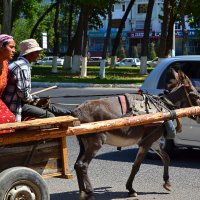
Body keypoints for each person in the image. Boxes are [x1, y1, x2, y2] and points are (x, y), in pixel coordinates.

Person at [2, 38, 71, 122]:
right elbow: (23, 95)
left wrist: (37, 100)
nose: (39, 55)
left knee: (50, 107)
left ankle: (71, 113)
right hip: (16, 104)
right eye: (37, 52)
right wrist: (37, 101)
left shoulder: (19, 64)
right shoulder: (22, 67)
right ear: (30, 54)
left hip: (18, 101)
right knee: (50, 116)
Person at [0, 34, 16, 132]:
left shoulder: (5, 65)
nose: (14, 50)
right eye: (11, 47)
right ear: (1, 47)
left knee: (10, 120)